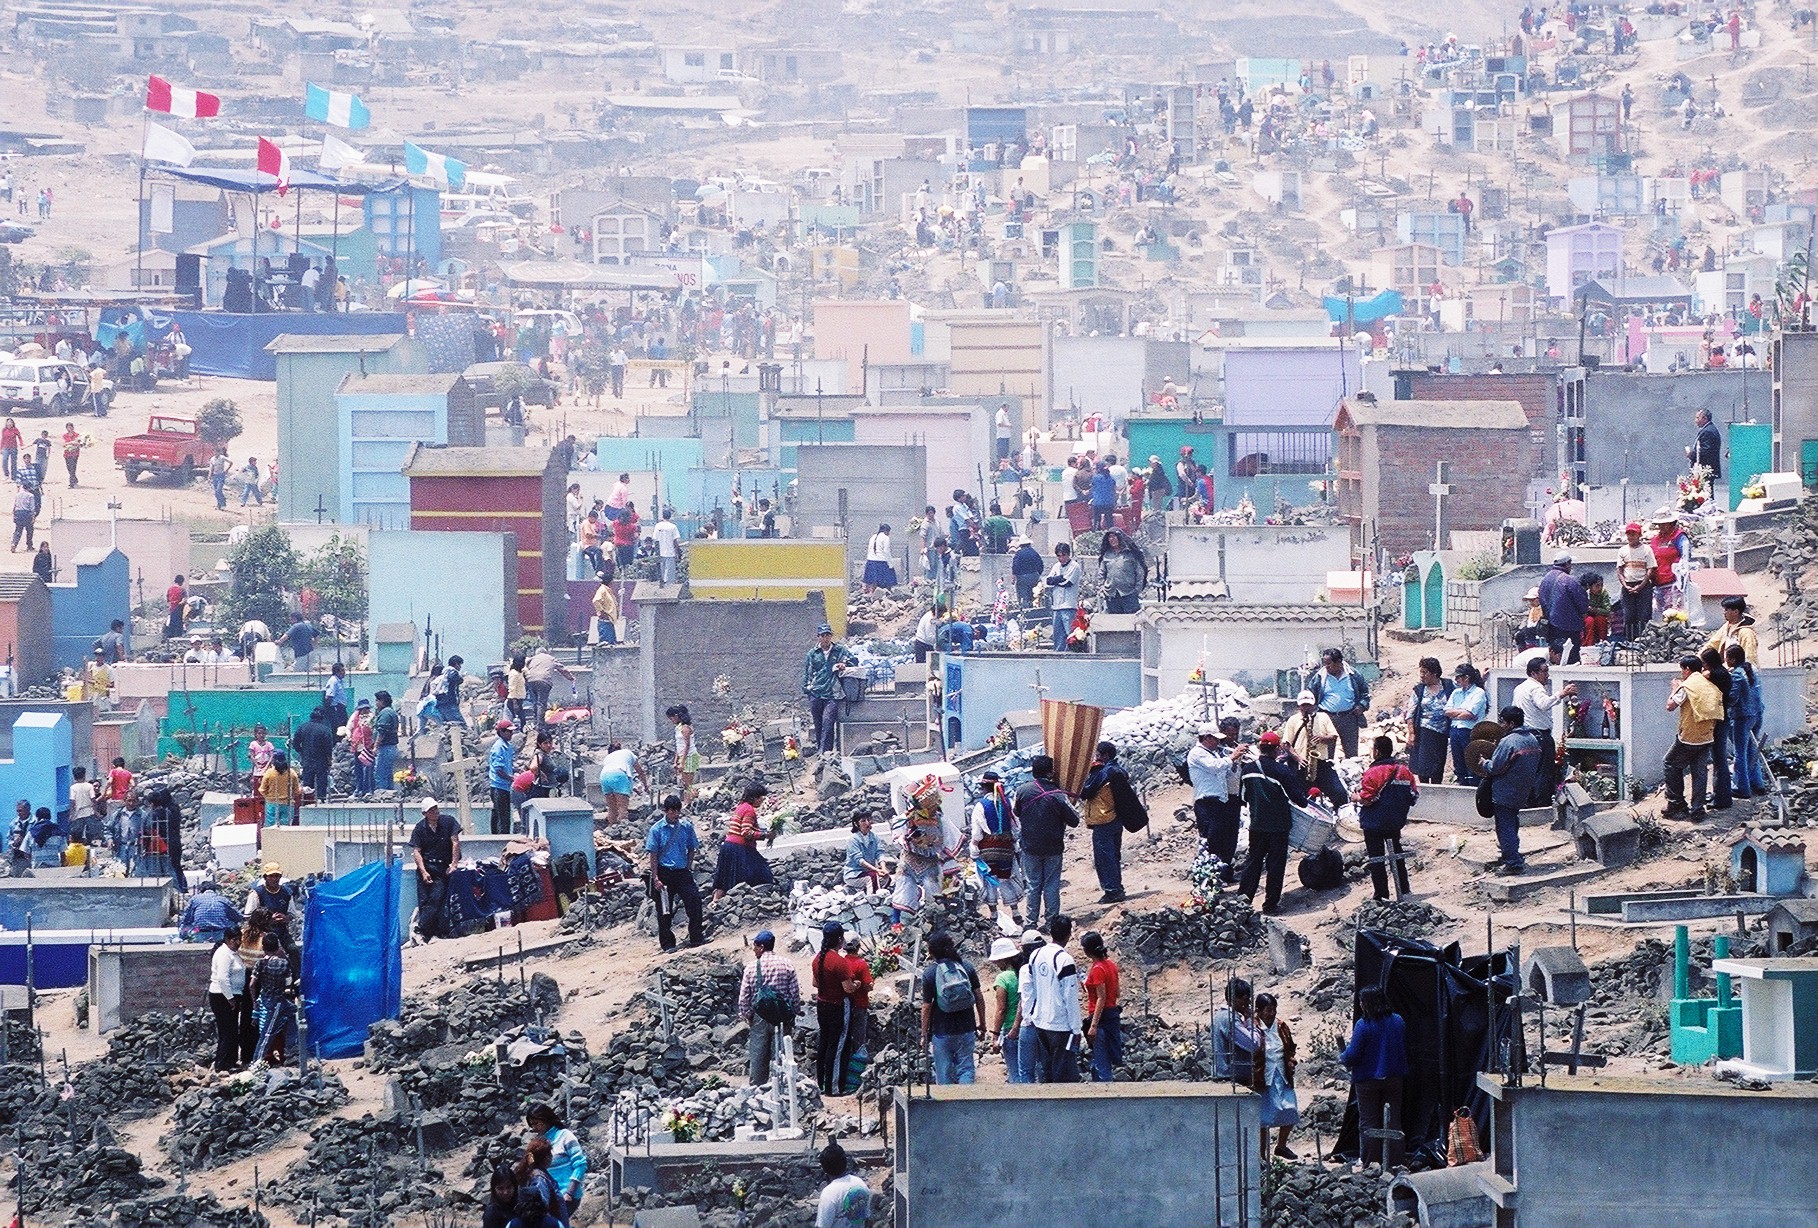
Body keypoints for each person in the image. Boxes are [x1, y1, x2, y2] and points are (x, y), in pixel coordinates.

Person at [1342, 986, 1410, 1170]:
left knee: (1368, 1122)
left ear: (1366, 1004)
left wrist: (1343, 1056)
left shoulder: (1363, 1025)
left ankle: (1371, 1162)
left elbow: (1353, 1055)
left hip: (1367, 1079)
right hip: (1394, 1077)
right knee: (1394, 1119)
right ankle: (1396, 1161)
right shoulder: (1398, 1021)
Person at [1014, 755, 1079, 930]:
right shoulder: (1058, 794)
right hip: (1053, 846)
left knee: (1033, 885)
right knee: (1051, 884)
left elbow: (1017, 812)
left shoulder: (1022, 791)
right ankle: (1051, 922)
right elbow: (1074, 820)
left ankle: (1030, 923)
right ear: (1050, 773)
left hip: (1030, 846)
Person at [1079, 740, 1141, 903]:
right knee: (1113, 856)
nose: (1096, 757)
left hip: (1103, 819)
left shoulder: (1103, 773)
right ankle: (1117, 887)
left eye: (1098, 754)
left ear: (1105, 755)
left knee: (1104, 858)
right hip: (1116, 818)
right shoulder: (1118, 770)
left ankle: (1113, 891)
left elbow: (1085, 792)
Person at [1483, 707, 1543, 875]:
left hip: (1505, 790)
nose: (1500, 725)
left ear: (1511, 724)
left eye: (1502, 722)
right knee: (1512, 823)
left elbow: (1495, 767)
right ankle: (1512, 854)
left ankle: (1512, 863)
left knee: (1505, 827)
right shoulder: (1532, 739)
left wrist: (1484, 763)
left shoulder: (1508, 742)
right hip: (1522, 790)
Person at [921, 929, 985, 1084]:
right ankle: (966, 1098)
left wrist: (924, 1033)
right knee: (966, 1069)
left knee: (944, 1073)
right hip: (967, 1028)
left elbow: (926, 1007)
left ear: (932, 951)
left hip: (942, 1031)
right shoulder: (967, 967)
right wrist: (982, 1023)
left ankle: (946, 1100)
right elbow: (979, 997)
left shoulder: (930, 973)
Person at [738, 928, 801, 1084]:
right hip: (782, 1016)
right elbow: (794, 994)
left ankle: (757, 1087)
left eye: (755, 946)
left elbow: (744, 997)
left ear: (761, 947)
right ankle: (782, 1084)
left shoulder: (751, 968)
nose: (753, 950)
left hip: (759, 1016)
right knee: (781, 1053)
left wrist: (748, 1016)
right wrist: (793, 1013)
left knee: (758, 1054)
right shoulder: (787, 964)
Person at [1664, 654, 1723, 821]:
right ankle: (1697, 810)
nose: (1681, 673)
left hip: (1689, 736)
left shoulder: (1687, 686)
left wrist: (1674, 688)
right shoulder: (1708, 684)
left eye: (1682, 670)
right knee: (1699, 772)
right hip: (1707, 735)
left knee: (1670, 764)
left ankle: (1676, 804)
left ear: (1687, 669)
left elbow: (1670, 706)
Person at [1357, 737, 1417, 900]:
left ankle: (1381, 895)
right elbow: (1413, 796)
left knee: (1377, 858)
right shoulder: (1404, 771)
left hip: (1373, 823)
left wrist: (1356, 798)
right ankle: (1404, 889)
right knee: (1397, 853)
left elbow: (1368, 799)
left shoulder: (1372, 772)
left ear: (1376, 751)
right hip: (1395, 822)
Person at [1025, 914, 1082, 1083]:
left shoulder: (1035, 955)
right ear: (1069, 934)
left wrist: (1029, 1016)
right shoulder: (1065, 959)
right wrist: (1076, 1029)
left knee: (1046, 1072)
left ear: (1050, 932)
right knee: (1064, 1076)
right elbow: (1070, 997)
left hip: (1040, 1022)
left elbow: (1031, 988)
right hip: (1060, 1024)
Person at [646, 794, 705, 950]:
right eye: (672, 811)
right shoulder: (656, 829)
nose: (676, 814)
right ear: (666, 811)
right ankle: (667, 944)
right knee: (664, 910)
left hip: (682, 872)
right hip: (664, 873)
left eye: (678, 811)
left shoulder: (686, 827)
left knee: (694, 902)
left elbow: (692, 848)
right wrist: (656, 877)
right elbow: (653, 855)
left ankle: (696, 937)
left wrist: (688, 866)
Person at [1189, 718, 1245, 877]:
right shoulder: (1197, 753)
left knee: (1224, 839)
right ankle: (1209, 877)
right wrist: (1232, 756)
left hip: (1220, 802)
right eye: (1215, 739)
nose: (1218, 742)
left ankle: (1223, 873)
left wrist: (1236, 761)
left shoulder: (1213, 753)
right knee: (1211, 840)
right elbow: (1214, 767)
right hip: (1206, 803)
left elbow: (1226, 773)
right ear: (1207, 738)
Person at [1513, 656, 1573, 802]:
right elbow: (1543, 704)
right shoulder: (1536, 688)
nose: (1547, 675)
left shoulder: (1520, 688)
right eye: (1544, 671)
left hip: (1524, 734)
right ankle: (1542, 803)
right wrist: (1561, 694)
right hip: (1539, 734)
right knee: (1543, 771)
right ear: (1534, 673)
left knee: (1529, 770)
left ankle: (1529, 801)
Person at [812, 921, 859, 1095]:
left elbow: (815, 983)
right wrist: (857, 984)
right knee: (838, 1045)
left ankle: (821, 1083)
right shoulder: (839, 962)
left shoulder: (818, 959)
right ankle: (834, 1087)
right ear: (840, 939)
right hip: (838, 1005)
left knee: (824, 1044)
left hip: (822, 1004)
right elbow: (848, 988)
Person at [1253, 992, 1299, 1159]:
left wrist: (1291, 1060)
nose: (1271, 1014)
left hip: (1281, 1073)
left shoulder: (1281, 1026)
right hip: (1263, 1076)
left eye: (1274, 1009)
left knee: (1290, 1109)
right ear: (1259, 1011)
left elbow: (1290, 1047)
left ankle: (1281, 1146)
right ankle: (1261, 1155)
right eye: (1268, 1010)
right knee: (1264, 1117)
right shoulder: (1253, 1028)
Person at [1281, 690, 1348, 806]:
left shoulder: (1323, 717)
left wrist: (1322, 738)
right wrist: (1298, 758)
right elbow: (1285, 744)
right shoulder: (1293, 720)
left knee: (1340, 793)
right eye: (1303, 705)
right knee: (1303, 798)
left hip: (1321, 762)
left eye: (1309, 705)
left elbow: (1333, 737)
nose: (1306, 708)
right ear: (1299, 706)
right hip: (1301, 765)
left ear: (1314, 705)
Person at [969, 773, 1021, 922]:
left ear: (984, 788)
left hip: (987, 849)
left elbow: (977, 832)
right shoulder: (1008, 803)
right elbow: (1015, 826)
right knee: (1006, 878)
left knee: (989, 880)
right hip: (1006, 848)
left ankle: (993, 914)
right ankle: (1016, 912)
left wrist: (974, 846)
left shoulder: (980, 806)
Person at [410, 798, 461, 941]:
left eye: (436, 809)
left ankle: (422, 929)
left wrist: (454, 864)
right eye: (431, 810)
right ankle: (427, 933)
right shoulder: (420, 828)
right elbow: (417, 851)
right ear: (425, 813)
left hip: (441, 867)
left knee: (437, 897)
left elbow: (455, 842)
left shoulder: (448, 822)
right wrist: (423, 871)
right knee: (424, 900)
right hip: (427, 866)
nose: (435, 812)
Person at [713, 781, 775, 898]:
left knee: (725, 877)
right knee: (762, 873)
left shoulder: (741, 807)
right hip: (740, 848)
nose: (762, 800)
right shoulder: (749, 810)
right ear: (754, 798)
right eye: (760, 798)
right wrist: (766, 835)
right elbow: (746, 832)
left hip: (728, 846)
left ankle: (716, 900)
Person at [802, 622, 857, 754]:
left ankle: (825, 751)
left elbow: (854, 660)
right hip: (816, 692)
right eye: (823, 636)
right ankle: (822, 749)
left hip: (832, 693)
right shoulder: (813, 654)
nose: (825, 638)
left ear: (831, 636)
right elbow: (807, 673)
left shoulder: (839, 650)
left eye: (828, 635)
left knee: (828, 721)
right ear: (818, 637)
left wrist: (844, 664)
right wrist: (807, 689)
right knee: (818, 722)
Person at [525, 1104, 587, 1220]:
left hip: (566, 1195)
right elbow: (530, 1164)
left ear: (546, 1120)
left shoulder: (565, 1136)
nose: (534, 1128)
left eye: (536, 1123)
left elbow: (580, 1164)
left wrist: (569, 1192)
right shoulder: (537, 1141)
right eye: (532, 1125)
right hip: (546, 1195)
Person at [1308, 648, 1371, 758]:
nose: (1326, 667)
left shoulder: (1353, 675)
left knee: (1352, 753)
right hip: (1327, 718)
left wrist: (1361, 706)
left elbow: (1365, 693)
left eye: (1329, 664)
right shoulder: (1319, 677)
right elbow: (1310, 695)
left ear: (1338, 662)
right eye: (1325, 664)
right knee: (1326, 754)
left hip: (1349, 718)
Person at [1725, 643, 1767, 799]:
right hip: (1757, 714)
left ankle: (1742, 787)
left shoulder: (1737, 674)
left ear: (1732, 659)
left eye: (1727, 658)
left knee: (1740, 753)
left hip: (1742, 716)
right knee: (1752, 749)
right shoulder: (1751, 670)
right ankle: (1757, 783)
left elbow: (1732, 698)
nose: (1726, 661)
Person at [986, 936, 1029, 1083]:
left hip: (1010, 1029)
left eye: (997, 961)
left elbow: (1001, 1009)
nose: (997, 964)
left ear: (1003, 959)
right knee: (1027, 1070)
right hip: (1027, 1028)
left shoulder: (1003, 978)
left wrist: (995, 1035)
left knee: (1015, 1072)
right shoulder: (1022, 973)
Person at [1080, 930, 1122, 1082]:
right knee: (1102, 1060)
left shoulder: (1097, 969)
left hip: (1101, 1019)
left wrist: (1093, 1025)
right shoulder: (1111, 965)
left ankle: (1106, 1092)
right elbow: (1117, 992)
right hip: (1112, 1016)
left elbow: (1101, 998)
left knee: (1101, 1063)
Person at [249, 932, 296, 1064]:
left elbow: (252, 984)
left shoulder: (260, 963)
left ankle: (287, 1052)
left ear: (264, 947)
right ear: (277, 946)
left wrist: (254, 1002)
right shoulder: (283, 964)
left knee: (268, 1030)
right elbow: (288, 984)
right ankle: (258, 1060)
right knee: (269, 1032)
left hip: (266, 999)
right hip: (279, 1000)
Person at [1406, 658, 1452, 784]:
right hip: (1424, 733)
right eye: (1421, 672)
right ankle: (1425, 790)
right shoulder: (1419, 690)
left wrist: (1482, 678)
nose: (1422, 675)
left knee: (1438, 766)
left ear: (1434, 673)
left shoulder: (1448, 686)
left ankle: (1437, 791)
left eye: (1425, 672)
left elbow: (1466, 689)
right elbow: (1410, 713)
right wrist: (1411, 733)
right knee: (1423, 767)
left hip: (1442, 733)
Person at [1537, 554, 1588, 664]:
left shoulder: (1545, 579)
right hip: (1568, 625)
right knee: (1571, 657)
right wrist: (1584, 614)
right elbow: (1582, 601)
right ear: (1567, 564)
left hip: (1550, 624)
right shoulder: (1569, 580)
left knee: (1556, 656)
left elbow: (1541, 598)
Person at [1701, 646, 1734, 811]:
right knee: (1718, 759)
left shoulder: (1716, 674)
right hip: (1723, 717)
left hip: (1719, 720)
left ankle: (1722, 798)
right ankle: (1719, 795)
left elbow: (1701, 677)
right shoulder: (1723, 672)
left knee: (1719, 760)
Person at [1445, 664, 1490, 785]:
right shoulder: (1456, 693)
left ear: (1466, 677)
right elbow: (1447, 711)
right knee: (1458, 762)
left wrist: (1457, 713)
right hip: (1455, 730)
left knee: (1471, 762)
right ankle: (1462, 782)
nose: (1456, 680)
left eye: (1459, 677)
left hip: (1470, 731)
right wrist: (1461, 712)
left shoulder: (1478, 692)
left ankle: (1473, 786)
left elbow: (1470, 714)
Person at [1212, 978, 1261, 1084]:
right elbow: (1253, 1044)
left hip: (1223, 1074)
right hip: (1232, 1077)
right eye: (1245, 999)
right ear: (1234, 999)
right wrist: (1250, 1021)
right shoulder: (1230, 1019)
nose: (1248, 1003)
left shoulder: (1219, 1016)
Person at [815, 1141, 872, 1228]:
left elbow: (822, 1225)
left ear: (824, 1169)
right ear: (845, 1163)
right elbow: (867, 1218)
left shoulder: (829, 1193)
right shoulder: (860, 1183)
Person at [1098, 530, 1148, 614]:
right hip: (1111, 595)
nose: (1112, 539)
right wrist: (1102, 588)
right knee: (1115, 620)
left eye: (1114, 536)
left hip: (1129, 594)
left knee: (1132, 619)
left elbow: (1140, 573)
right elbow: (1101, 573)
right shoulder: (1107, 555)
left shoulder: (1130, 554)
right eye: (1110, 537)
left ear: (1120, 538)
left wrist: (1136, 590)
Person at [597, 741, 646, 826]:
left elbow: (619, 779)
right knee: (622, 807)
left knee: (612, 808)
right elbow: (640, 771)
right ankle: (624, 828)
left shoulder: (608, 758)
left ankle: (611, 827)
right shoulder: (628, 753)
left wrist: (633, 788)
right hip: (619, 775)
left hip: (604, 777)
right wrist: (646, 786)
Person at [1649, 512, 1689, 616]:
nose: (1661, 526)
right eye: (1659, 524)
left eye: (1664, 524)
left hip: (1674, 584)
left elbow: (1686, 557)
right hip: (1658, 584)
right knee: (1659, 616)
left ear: (1671, 523)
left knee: (1673, 614)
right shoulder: (1655, 540)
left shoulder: (1679, 537)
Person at [1045, 543, 1082, 651]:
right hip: (1057, 605)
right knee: (1058, 635)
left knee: (1070, 633)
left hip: (1068, 605)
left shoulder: (1074, 566)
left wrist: (1056, 580)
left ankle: (1072, 653)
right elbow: (1048, 581)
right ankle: (1058, 654)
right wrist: (1059, 578)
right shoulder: (1056, 566)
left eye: (1063, 555)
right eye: (1059, 556)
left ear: (1068, 554)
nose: (1061, 558)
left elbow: (1067, 582)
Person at [292, 707, 334, 803]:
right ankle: (321, 799)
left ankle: (307, 799)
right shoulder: (325, 730)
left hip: (307, 759)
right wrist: (329, 759)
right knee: (321, 780)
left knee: (307, 780)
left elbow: (295, 742)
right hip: (321, 760)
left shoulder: (302, 727)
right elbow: (328, 747)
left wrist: (301, 751)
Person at [1706, 595, 1760, 665]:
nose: (1724, 613)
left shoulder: (1746, 632)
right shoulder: (1726, 626)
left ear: (1736, 612)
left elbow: (1749, 657)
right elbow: (1712, 644)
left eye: (1726, 610)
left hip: (1738, 670)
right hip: (1726, 667)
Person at [487, 720, 518, 835]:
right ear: (501, 732)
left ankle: (496, 836)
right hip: (498, 786)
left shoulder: (507, 746)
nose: (511, 734)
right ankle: (501, 838)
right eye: (509, 732)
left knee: (499, 813)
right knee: (503, 817)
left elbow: (507, 765)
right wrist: (511, 778)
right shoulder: (498, 747)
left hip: (504, 786)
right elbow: (498, 770)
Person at [844, 809, 886, 892]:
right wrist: (876, 870)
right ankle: (873, 897)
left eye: (868, 820)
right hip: (854, 874)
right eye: (863, 821)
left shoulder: (874, 837)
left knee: (886, 878)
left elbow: (880, 853)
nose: (867, 823)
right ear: (856, 824)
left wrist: (883, 868)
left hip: (869, 871)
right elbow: (859, 860)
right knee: (872, 877)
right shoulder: (853, 840)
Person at [257, 751, 302, 827]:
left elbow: (262, 790)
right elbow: (297, 791)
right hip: (288, 804)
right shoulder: (292, 773)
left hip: (272, 804)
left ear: (273, 760)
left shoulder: (269, 773)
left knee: (271, 828)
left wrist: (269, 797)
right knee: (285, 828)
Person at [371, 692, 400, 795]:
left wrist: (375, 746)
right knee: (387, 773)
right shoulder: (389, 712)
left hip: (385, 747)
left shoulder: (385, 713)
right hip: (389, 747)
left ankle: (382, 794)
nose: (376, 703)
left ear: (382, 701)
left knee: (381, 772)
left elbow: (382, 732)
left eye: (377, 700)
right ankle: (389, 793)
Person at [347, 697, 376, 797]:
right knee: (358, 768)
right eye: (362, 709)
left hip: (368, 745)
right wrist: (349, 736)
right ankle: (358, 789)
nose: (364, 711)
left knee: (368, 768)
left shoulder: (372, 717)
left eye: (366, 708)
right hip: (358, 745)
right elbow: (349, 728)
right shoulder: (355, 716)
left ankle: (368, 790)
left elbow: (374, 729)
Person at [1687, 408, 1722, 480]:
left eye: (1697, 418)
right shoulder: (1708, 429)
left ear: (1705, 418)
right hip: (1704, 470)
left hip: (1705, 470)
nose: (1695, 420)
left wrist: (1692, 455)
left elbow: (1705, 451)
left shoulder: (1708, 431)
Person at [862, 524, 896, 594]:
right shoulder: (886, 538)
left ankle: (871, 593)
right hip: (881, 561)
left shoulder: (873, 537)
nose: (889, 534)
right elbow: (886, 551)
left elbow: (869, 549)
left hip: (871, 560)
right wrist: (890, 563)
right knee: (886, 580)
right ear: (886, 531)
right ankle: (885, 593)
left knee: (872, 581)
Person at [1010, 537, 1044, 608]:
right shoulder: (1034, 553)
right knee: (1034, 595)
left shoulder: (1019, 553)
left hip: (1022, 578)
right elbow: (1041, 565)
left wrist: (1014, 576)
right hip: (1034, 576)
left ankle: (1025, 611)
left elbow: (1015, 566)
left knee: (1023, 597)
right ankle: (1034, 610)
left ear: (1021, 545)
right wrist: (1037, 575)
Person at [652, 508, 682, 586]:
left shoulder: (658, 526)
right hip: (670, 552)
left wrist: (656, 552)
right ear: (670, 516)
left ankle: (662, 585)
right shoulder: (673, 526)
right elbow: (675, 541)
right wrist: (677, 552)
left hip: (660, 552)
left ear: (662, 516)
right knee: (670, 574)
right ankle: (669, 588)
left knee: (662, 572)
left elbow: (655, 539)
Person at [611, 500, 640, 569]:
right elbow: (636, 536)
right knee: (629, 563)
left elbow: (611, 529)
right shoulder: (632, 526)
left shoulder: (616, 523)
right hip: (628, 545)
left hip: (618, 545)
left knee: (620, 562)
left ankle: (621, 572)